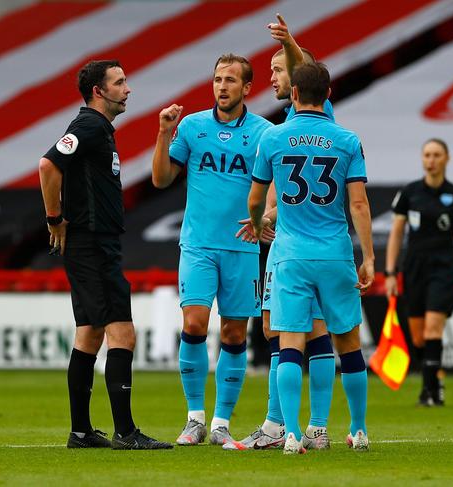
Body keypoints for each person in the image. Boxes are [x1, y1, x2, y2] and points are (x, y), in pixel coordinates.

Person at [39, 60, 172, 450]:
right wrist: (54, 218)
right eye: (119, 82)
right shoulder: (88, 126)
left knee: (90, 333)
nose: (127, 88)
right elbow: (48, 165)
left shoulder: (99, 131)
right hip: (93, 243)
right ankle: (125, 432)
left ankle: (80, 432)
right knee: (122, 332)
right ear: (99, 91)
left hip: (93, 243)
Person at [249, 62, 375, 454]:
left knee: (289, 342)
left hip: (291, 254)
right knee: (348, 344)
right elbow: (358, 203)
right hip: (335, 253)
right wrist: (368, 256)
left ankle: (289, 434)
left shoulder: (273, 138)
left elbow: (256, 198)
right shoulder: (347, 140)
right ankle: (356, 430)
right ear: (329, 93)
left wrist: (258, 222)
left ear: (294, 95)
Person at [226, 14, 336, 451]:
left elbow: (299, 66)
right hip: (306, 241)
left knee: (284, 329)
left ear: (296, 81)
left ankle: (278, 425)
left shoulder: (313, 109)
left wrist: (290, 43)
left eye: (276, 70)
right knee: (303, 329)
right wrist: (268, 216)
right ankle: (311, 427)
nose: (271, 76)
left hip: (296, 247)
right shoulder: (296, 126)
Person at [151, 54, 273, 446]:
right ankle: (194, 418)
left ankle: (221, 422)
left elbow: (274, 185)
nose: (222, 86)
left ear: (247, 88)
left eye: (231, 80)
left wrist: (265, 217)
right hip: (199, 244)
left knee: (235, 334)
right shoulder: (191, 126)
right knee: (194, 325)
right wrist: (163, 134)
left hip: (242, 247)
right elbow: (160, 178)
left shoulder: (263, 133)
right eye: (218, 79)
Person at [384, 138, 453, 406]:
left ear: (447, 159)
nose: (431, 160)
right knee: (419, 336)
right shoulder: (409, 193)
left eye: (436, 155)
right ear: (422, 159)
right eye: (427, 155)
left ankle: (430, 392)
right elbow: (397, 233)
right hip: (414, 268)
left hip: (443, 267)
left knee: (434, 327)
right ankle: (435, 378)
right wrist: (389, 272)